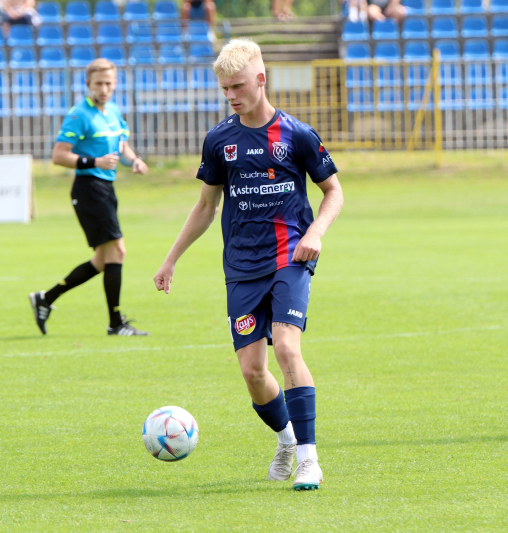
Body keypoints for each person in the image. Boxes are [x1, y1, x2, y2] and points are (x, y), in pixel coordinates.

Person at [153, 39, 343, 490]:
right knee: (252, 372)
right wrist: (171, 258)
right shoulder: (220, 140)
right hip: (240, 266)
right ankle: (287, 440)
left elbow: (333, 191)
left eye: (237, 86)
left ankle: (310, 461)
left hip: (289, 256)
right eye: (224, 89)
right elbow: (205, 206)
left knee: (286, 348)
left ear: (261, 79)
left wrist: (315, 233)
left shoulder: (297, 135)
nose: (231, 95)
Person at [29, 58, 150, 337]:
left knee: (102, 260)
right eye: (98, 84)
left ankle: (45, 298)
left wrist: (133, 160)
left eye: (108, 83)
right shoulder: (79, 114)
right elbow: (59, 156)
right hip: (88, 190)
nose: (104, 89)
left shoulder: (113, 111)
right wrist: (94, 161)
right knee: (117, 252)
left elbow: (121, 145)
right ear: (88, 85)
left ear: (115, 84)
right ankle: (115, 324)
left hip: (106, 189)